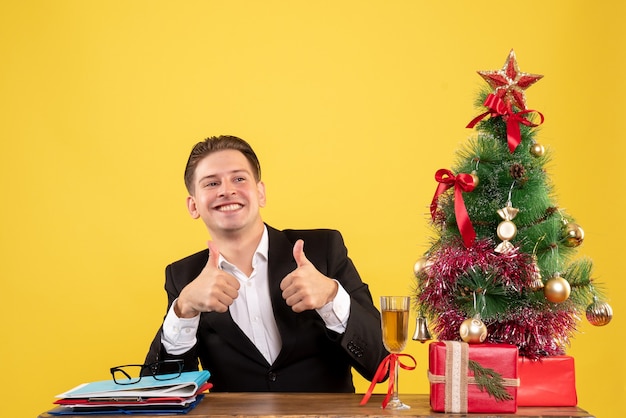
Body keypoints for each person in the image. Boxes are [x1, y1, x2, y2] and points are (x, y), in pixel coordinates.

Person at [143, 135, 388, 392]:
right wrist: (184, 310)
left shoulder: (323, 249)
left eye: (239, 178)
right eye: (212, 183)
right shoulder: (183, 276)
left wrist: (331, 296)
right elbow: (160, 391)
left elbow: (383, 364)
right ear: (193, 206)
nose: (227, 190)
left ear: (260, 193)